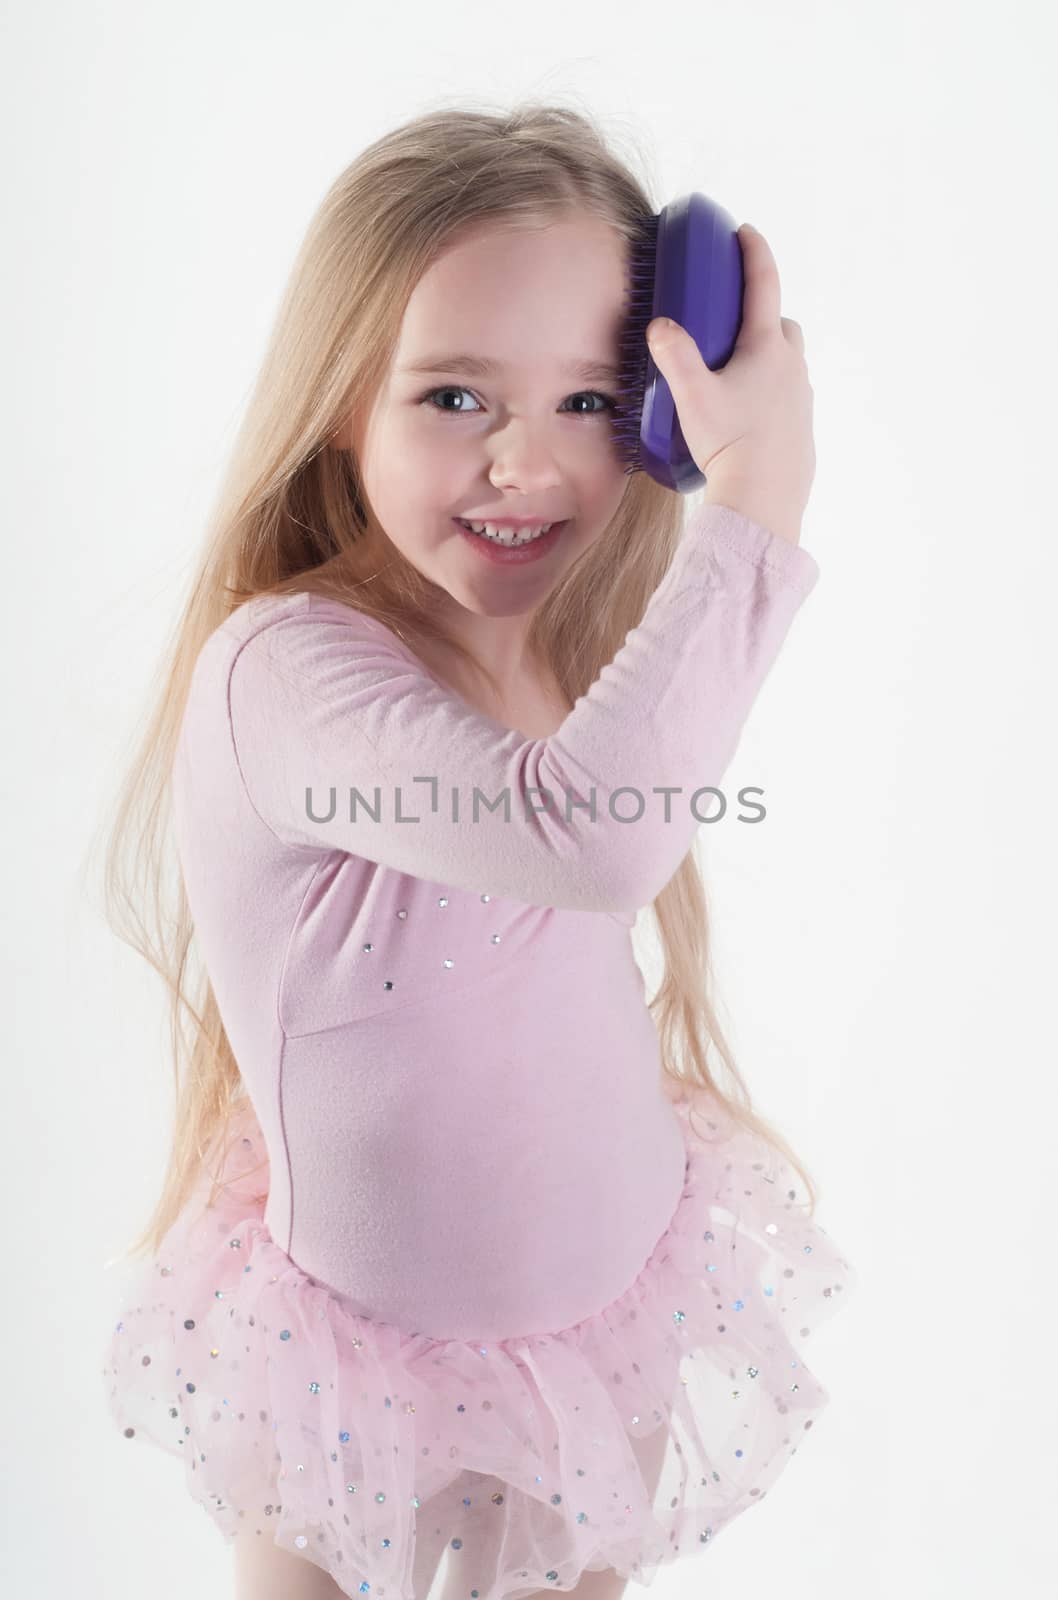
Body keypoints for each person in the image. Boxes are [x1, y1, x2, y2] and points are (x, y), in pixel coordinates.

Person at [99, 101, 856, 1600]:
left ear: (653, 420)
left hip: (606, 1297)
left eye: (589, 403)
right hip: (367, 1351)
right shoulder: (289, 670)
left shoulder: (555, 642)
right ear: (340, 404)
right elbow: (587, 840)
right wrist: (759, 506)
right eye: (454, 397)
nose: (527, 462)